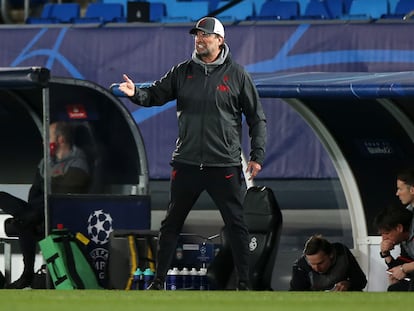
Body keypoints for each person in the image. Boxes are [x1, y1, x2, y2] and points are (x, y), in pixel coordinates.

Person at [118, 17, 267, 290]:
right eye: (197, 35)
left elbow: (257, 119)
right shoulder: (182, 71)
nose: (199, 39)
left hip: (224, 164)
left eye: (205, 35)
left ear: (220, 40)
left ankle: (245, 284)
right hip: (186, 163)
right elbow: (154, 95)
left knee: (237, 226)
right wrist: (135, 93)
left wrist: (257, 155)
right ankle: (158, 282)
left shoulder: (238, 75)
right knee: (170, 224)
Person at [0, 121, 90, 289]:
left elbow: (62, 192)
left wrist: (49, 185)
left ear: (61, 140)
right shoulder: (45, 162)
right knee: (5, 200)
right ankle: (26, 219)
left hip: (58, 213)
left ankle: (27, 275)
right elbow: (35, 191)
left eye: (47, 138)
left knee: (24, 223)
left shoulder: (78, 162)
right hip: (36, 210)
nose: (44, 142)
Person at [289, 234, 367, 291]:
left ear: (331, 255)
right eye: (312, 264)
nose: (317, 268)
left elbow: (361, 281)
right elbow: (296, 295)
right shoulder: (300, 267)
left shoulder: (342, 254)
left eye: (320, 263)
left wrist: (348, 284)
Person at [374, 204, 414, 291]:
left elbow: (404, 267)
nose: (384, 238)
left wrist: (403, 269)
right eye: (381, 234)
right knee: (394, 289)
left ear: (399, 228)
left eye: (387, 233)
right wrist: (386, 254)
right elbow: (402, 263)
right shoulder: (404, 241)